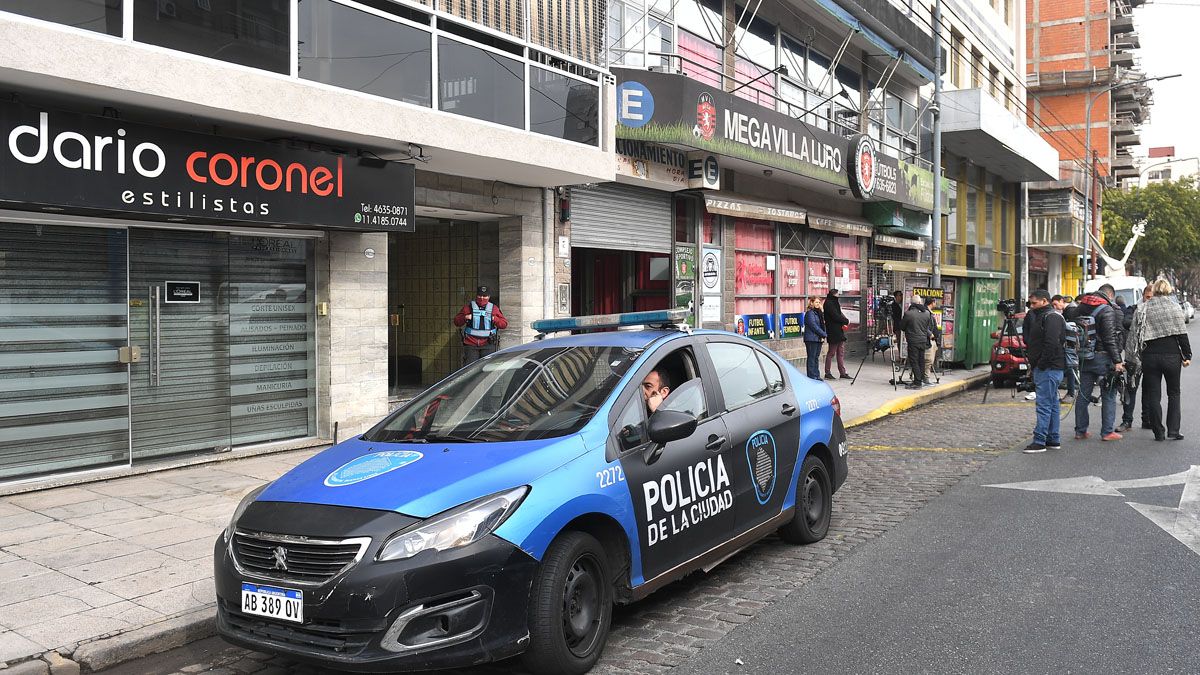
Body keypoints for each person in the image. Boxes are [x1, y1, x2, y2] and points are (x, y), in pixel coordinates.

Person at [1127, 279, 1192, 441]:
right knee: (1174, 393)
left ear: (1154, 290)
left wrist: (1132, 357)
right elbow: (1181, 334)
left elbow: (1134, 335)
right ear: (1168, 290)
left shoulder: (1143, 308)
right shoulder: (1174, 307)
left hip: (1150, 356)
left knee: (1153, 395)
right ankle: (1174, 431)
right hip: (1172, 356)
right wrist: (1187, 355)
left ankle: (1158, 432)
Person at [1066, 283, 1126, 441]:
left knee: (1083, 394)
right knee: (1109, 394)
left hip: (1084, 356)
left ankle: (1080, 431)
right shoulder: (1107, 310)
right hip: (1103, 357)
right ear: (1110, 296)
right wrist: (1117, 360)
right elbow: (1109, 338)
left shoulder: (1080, 307)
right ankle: (1107, 432)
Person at [1021, 290, 1067, 453]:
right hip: (1048, 367)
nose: (1031, 306)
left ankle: (1040, 440)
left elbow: (1051, 343)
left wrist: (1041, 364)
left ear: (1044, 301)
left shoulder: (1051, 317)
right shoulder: (1042, 316)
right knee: (1052, 403)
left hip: (1049, 367)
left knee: (1045, 404)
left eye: (1034, 303)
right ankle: (1052, 438)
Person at [1117, 284, 1155, 432]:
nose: (1149, 301)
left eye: (1153, 298)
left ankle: (1147, 420)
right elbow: (1125, 323)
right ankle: (1127, 421)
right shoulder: (1134, 308)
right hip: (1134, 355)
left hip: (1152, 355)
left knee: (1149, 389)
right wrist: (1141, 316)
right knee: (1131, 388)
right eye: (1147, 297)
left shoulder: (1157, 311)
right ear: (1143, 295)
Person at [452, 285, 508, 366]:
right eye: (480, 295)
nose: (482, 298)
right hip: (471, 344)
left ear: (489, 297)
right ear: (476, 296)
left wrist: (494, 318)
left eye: (485, 296)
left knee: (487, 368)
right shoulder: (468, 308)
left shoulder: (494, 309)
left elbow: (504, 324)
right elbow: (457, 322)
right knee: (470, 369)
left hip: (488, 343)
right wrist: (465, 317)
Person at [900, 292, 937, 390]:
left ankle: (917, 382)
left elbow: (902, 327)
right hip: (923, 340)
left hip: (913, 340)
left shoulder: (908, 313)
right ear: (920, 302)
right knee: (921, 361)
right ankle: (920, 380)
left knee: (914, 361)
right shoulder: (926, 313)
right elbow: (927, 327)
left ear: (911, 303)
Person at [1052, 295, 1078, 401]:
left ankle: (1071, 392)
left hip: (1069, 345)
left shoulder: (1070, 311)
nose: (1054, 307)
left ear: (1062, 301)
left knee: (1070, 368)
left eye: (1055, 304)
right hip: (1069, 344)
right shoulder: (1068, 310)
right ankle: (1071, 392)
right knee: (1070, 368)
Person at [823, 289, 851, 380]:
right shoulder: (829, 303)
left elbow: (839, 314)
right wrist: (845, 320)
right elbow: (835, 316)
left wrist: (844, 320)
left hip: (838, 330)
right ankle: (827, 372)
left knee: (840, 352)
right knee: (831, 352)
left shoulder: (834, 302)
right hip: (833, 330)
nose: (839, 295)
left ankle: (842, 372)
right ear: (835, 294)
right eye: (838, 293)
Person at [803, 296, 827, 380]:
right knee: (811, 357)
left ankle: (816, 374)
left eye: (819, 302)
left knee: (816, 357)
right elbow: (813, 326)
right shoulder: (810, 313)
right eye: (816, 302)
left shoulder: (819, 313)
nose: (818, 304)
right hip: (811, 338)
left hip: (818, 338)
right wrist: (824, 334)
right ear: (811, 303)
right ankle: (811, 375)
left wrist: (823, 334)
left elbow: (822, 325)